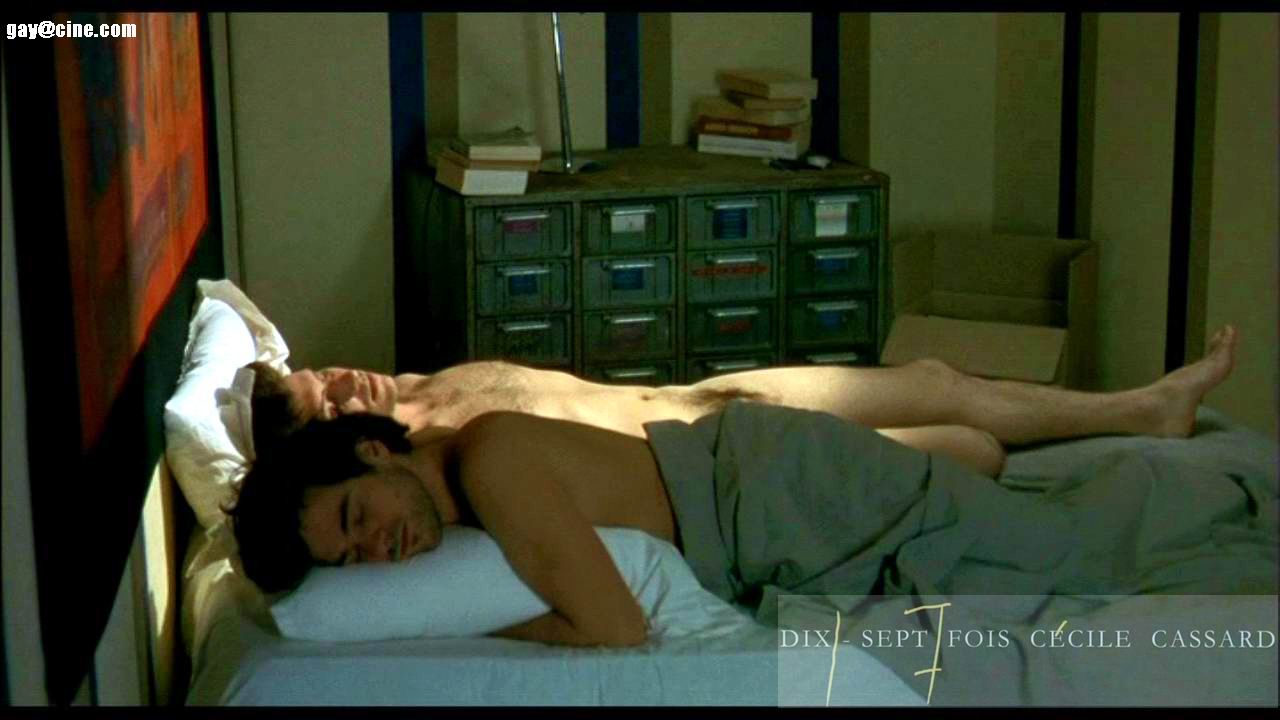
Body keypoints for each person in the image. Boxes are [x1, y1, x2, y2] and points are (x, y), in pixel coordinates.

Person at [228, 327, 1242, 648]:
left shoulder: (483, 462)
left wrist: (463, 627)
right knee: (991, 511)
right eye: (352, 558)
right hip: (758, 489)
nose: (378, 552)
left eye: (358, 520)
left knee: (1059, 557)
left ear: (372, 454)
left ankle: (1201, 484)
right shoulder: (458, 489)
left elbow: (616, 629)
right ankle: (1144, 453)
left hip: (774, 486)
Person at [244, 325, 1239, 480]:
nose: (348, 382)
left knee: (936, 381)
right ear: (347, 442)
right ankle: (1138, 420)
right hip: (722, 454)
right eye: (332, 403)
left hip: (718, 398)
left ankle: (1143, 408)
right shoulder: (426, 447)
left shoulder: (427, 383)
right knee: (962, 445)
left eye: (326, 371)